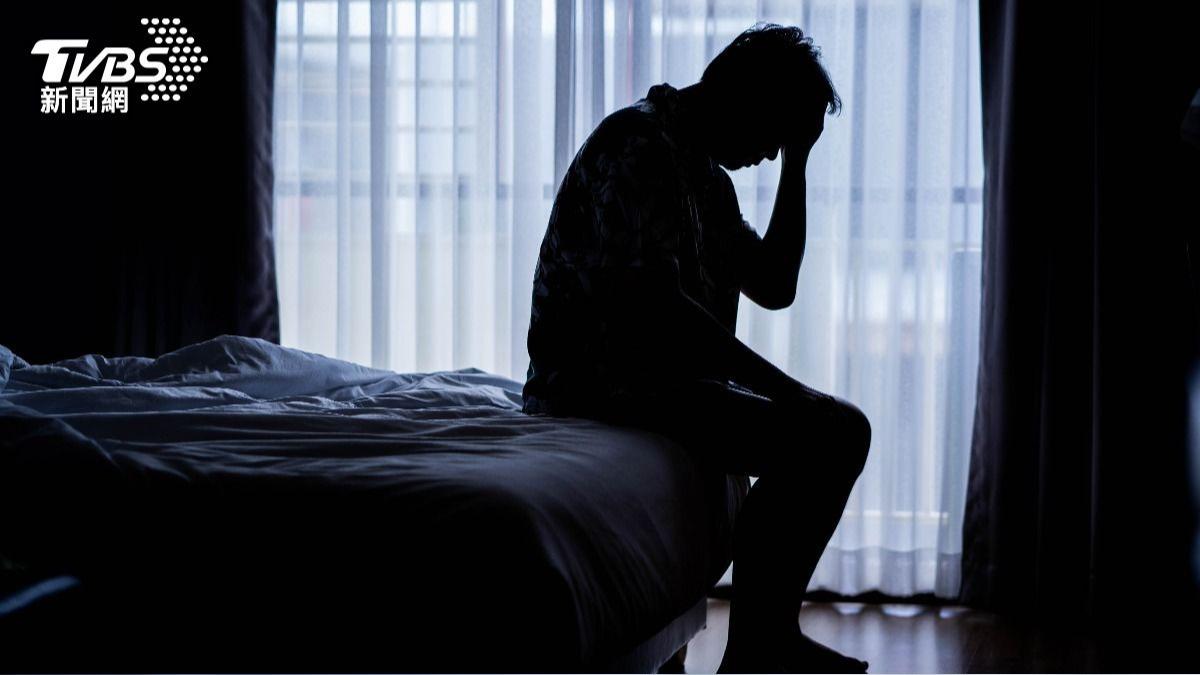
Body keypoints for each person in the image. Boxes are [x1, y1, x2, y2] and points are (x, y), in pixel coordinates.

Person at [522, 23, 872, 674]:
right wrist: (789, 393)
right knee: (835, 433)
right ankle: (762, 644)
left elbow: (775, 284)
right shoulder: (638, 145)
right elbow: (661, 312)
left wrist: (798, 162)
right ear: (744, 95)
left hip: (654, 382)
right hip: (594, 385)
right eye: (775, 133)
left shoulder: (703, 176)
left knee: (839, 430)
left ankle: (764, 639)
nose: (769, 152)